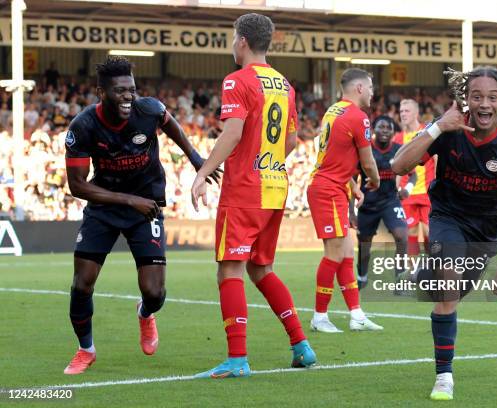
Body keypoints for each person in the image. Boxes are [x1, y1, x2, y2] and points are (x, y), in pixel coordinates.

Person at [63, 56, 217, 375]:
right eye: (120, 91)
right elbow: (77, 186)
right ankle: (85, 349)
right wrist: (128, 200)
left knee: (155, 292)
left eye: (132, 89)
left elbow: (170, 123)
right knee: (82, 284)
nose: (128, 96)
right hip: (105, 207)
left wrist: (195, 158)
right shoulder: (83, 126)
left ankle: (145, 314)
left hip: (145, 206)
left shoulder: (148, 109)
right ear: (101, 92)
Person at [391, 65, 497, 400]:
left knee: (447, 290)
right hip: (447, 217)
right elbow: (398, 165)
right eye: (476, 96)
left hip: (485, 232)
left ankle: (425, 274)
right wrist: (439, 126)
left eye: (492, 97)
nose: (484, 103)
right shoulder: (449, 130)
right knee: (449, 287)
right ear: (465, 99)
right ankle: (444, 376)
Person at [191, 13, 316, 379]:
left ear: (242, 41)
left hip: (245, 188)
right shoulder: (285, 85)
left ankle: (237, 358)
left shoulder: (237, 81)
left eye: (233, 38)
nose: (233, 44)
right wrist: (269, 164)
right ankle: (301, 346)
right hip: (276, 187)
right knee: (261, 269)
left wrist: (202, 171)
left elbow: (232, 133)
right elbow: (292, 140)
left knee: (229, 269)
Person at [307, 68, 383, 333]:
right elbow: (368, 161)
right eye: (371, 87)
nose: (373, 93)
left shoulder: (333, 111)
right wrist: (374, 180)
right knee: (335, 253)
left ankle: (357, 315)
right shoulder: (357, 117)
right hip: (327, 190)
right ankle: (319, 316)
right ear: (359, 88)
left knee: (347, 253)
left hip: (335, 186)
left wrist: (352, 185)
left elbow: (334, 157)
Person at [351, 115, 407, 290]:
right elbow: (352, 180)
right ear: (373, 130)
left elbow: (412, 172)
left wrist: (408, 189)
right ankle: (362, 276)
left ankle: (400, 279)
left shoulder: (399, 149)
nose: (384, 130)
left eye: (388, 127)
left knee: (401, 236)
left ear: (393, 132)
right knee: (364, 245)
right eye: (381, 127)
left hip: (391, 201)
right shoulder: (364, 151)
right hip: (368, 205)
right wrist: (351, 212)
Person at [393, 99, 434, 256]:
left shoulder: (428, 132)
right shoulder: (397, 138)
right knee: (410, 234)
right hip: (407, 195)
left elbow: (436, 159)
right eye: (401, 111)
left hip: (427, 193)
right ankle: (413, 272)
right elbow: (396, 168)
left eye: (407, 111)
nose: (403, 114)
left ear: (416, 113)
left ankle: (433, 268)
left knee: (430, 234)